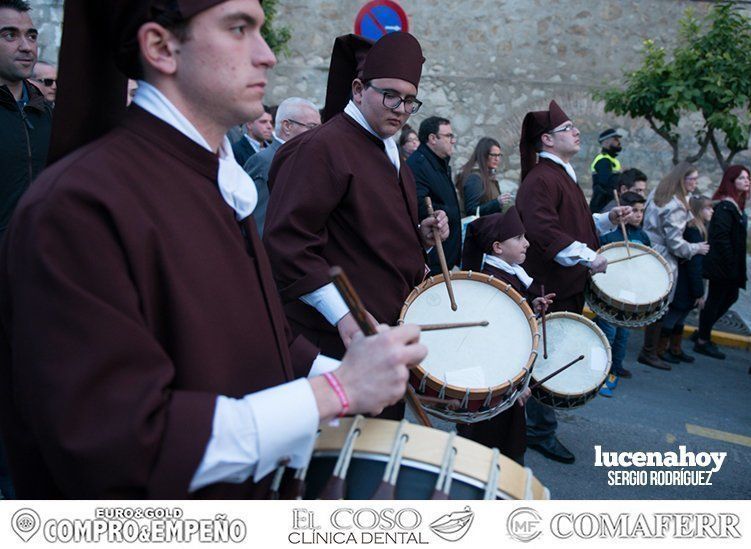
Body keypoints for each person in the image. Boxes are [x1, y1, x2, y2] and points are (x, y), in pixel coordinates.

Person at [0, 0, 427, 499]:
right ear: (161, 48)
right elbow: (120, 444)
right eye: (239, 29)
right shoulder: (78, 207)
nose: (267, 55)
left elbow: (254, 331)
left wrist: (343, 369)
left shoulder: (214, 179)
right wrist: (334, 391)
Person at [263, 32, 448, 384]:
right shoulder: (321, 148)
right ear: (359, 90)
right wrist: (344, 314)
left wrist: (420, 238)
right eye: (391, 96)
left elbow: (367, 234)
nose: (402, 110)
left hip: (382, 340)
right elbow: (287, 243)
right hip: (332, 343)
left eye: (410, 101)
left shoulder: (389, 149)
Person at [516, 100, 631, 464]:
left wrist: (608, 218)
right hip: (548, 290)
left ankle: (533, 426)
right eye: (568, 129)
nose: (577, 132)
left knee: (547, 358)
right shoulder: (541, 179)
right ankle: (536, 431)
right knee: (543, 361)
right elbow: (544, 232)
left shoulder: (560, 174)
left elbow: (574, 225)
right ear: (547, 140)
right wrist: (587, 257)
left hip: (562, 287)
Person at [457, 207, 552, 465]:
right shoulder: (490, 283)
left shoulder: (508, 274)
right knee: (487, 459)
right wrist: (514, 388)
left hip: (503, 387)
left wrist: (529, 309)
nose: (527, 243)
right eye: (519, 238)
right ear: (498, 247)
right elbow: (491, 345)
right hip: (492, 390)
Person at [639, 162, 709, 370]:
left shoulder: (659, 193)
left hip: (649, 248)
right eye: (692, 179)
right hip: (664, 257)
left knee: (648, 302)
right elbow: (676, 243)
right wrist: (696, 247)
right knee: (659, 306)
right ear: (682, 180)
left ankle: (646, 349)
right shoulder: (676, 205)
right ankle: (649, 352)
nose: (695, 184)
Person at [0, 0, 52, 245]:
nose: (26, 47)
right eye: (10, 35)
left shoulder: (45, 112)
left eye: (31, 36)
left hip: (37, 259)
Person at [595, 191, 652, 395]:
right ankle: (600, 370)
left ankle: (615, 367)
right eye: (634, 211)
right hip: (610, 292)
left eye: (641, 211)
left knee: (624, 332)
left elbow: (648, 264)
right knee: (607, 332)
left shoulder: (642, 236)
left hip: (630, 292)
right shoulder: (610, 234)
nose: (638, 215)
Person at [243, 96, 320, 236]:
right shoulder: (265, 161)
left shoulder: (300, 158)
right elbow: (258, 220)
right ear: (287, 126)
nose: (318, 134)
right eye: (312, 127)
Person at [695, 165, 749, 359]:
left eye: (748, 178)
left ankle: (703, 330)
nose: (747, 181)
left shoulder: (735, 205)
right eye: (742, 178)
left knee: (729, 297)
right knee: (717, 299)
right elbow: (721, 238)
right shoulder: (726, 207)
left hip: (730, 264)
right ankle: (702, 339)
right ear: (731, 181)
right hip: (723, 265)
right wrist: (730, 263)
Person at [660, 195, 712, 363]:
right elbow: (694, 265)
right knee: (675, 315)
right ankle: (662, 349)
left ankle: (675, 348)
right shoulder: (694, 231)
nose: (711, 211)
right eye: (708, 208)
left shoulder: (699, 229)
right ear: (698, 210)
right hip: (686, 284)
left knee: (681, 316)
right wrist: (699, 292)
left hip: (687, 282)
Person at [408, 116, 462, 274]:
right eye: (448, 136)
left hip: (446, 256)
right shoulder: (418, 165)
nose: (453, 141)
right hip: (433, 260)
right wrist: (449, 212)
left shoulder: (440, 163)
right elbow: (418, 205)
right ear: (432, 138)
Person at [455, 137, 513, 217]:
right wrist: (497, 202)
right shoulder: (474, 178)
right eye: (493, 155)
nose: (497, 159)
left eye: (499, 155)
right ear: (483, 155)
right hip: (480, 227)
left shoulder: (490, 177)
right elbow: (471, 210)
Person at [589, 128, 623, 213]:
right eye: (615, 139)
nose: (619, 142)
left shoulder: (613, 160)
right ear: (606, 142)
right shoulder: (603, 160)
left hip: (609, 203)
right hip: (602, 205)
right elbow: (606, 183)